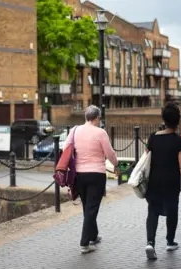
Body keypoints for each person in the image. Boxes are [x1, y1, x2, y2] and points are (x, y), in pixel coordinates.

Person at [64, 105, 120, 254]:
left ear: (85, 117)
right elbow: (110, 153)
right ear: (97, 118)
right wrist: (116, 165)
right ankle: (84, 243)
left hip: (79, 175)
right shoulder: (100, 133)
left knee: (87, 207)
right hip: (96, 174)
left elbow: (65, 148)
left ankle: (93, 236)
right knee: (91, 208)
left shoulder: (75, 131)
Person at [144, 102, 181, 260]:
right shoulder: (179, 142)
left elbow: (146, 160)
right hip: (171, 183)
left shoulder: (152, 138)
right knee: (172, 211)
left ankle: (150, 242)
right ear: (177, 121)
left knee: (153, 211)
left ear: (163, 119)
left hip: (154, 182)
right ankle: (170, 241)